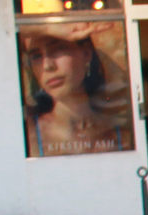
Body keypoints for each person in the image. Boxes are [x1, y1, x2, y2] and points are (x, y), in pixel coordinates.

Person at [22, 24, 131, 156]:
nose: (47, 66)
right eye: (36, 57)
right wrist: (48, 28)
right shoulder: (27, 131)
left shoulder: (119, 134)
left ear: (86, 53)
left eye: (57, 50)